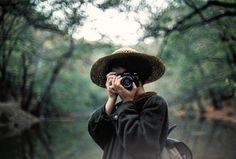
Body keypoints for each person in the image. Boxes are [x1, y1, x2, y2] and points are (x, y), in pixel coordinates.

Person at [88, 48, 169, 159]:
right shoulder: (119, 108)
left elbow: (139, 144)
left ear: (138, 76)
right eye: (114, 77)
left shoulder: (154, 103)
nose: (118, 82)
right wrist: (112, 98)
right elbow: (97, 133)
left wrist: (127, 101)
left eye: (123, 76)